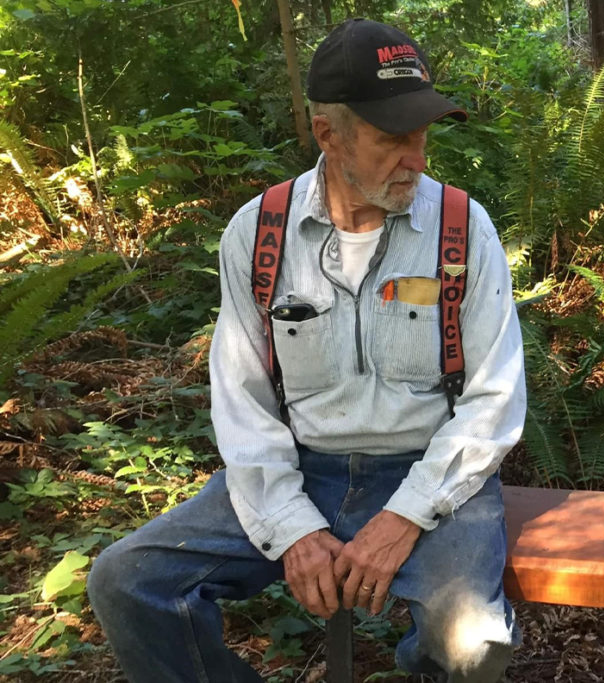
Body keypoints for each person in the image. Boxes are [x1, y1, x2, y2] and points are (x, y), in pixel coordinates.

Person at [87, 18, 526, 683]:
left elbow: (494, 398)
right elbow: (243, 401)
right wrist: (291, 526)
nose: (418, 158)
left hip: (434, 472)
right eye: (392, 138)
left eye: (422, 134)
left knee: (473, 645)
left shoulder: (463, 228)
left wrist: (405, 515)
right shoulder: (258, 233)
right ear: (329, 134)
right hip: (302, 467)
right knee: (126, 581)